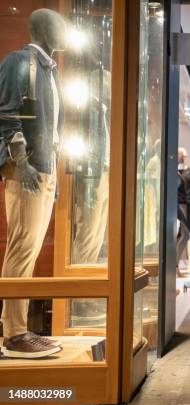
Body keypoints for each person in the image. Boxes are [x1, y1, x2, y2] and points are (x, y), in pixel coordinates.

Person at [0, 8, 67, 359]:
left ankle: (18, 330)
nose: (65, 31)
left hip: (45, 167)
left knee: (29, 247)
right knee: (21, 247)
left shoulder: (49, 70)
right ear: (42, 28)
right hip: (27, 168)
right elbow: (5, 113)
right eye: (59, 25)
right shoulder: (20, 63)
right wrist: (21, 162)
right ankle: (13, 334)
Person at [176, 147, 190, 270]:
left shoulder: (186, 171)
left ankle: (176, 264)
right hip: (176, 205)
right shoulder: (173, 171)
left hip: (183, 205)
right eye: (182, 155)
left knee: (184, 234)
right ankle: (175, 265)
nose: (183, 157)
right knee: (183, 234)